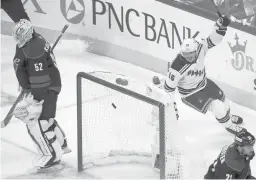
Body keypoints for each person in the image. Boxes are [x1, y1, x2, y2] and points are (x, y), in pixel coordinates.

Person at [155, 15, 247, 136]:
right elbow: (168, 90)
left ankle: (228, 117)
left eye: (190, 54)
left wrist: (221, 27)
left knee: (223, 100)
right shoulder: (176, 67)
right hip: (190, 94)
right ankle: (229, 126)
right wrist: (173, 109)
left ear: (196, 49)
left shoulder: (200, 47)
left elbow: (213, 40)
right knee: (217, 106)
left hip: (203, 83)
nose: (188, 57)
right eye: (185, 55)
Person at [12, 19, 71, 171]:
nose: (18, 40)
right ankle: (62, 143)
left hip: (46, 87)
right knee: (46, 118)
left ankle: (51, 154)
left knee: (40, 122)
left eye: (21, 36)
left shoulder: (34, 50)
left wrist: (32, 93)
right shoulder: (36, 40)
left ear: (28, 34)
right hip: (50, 84)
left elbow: (37, 77)